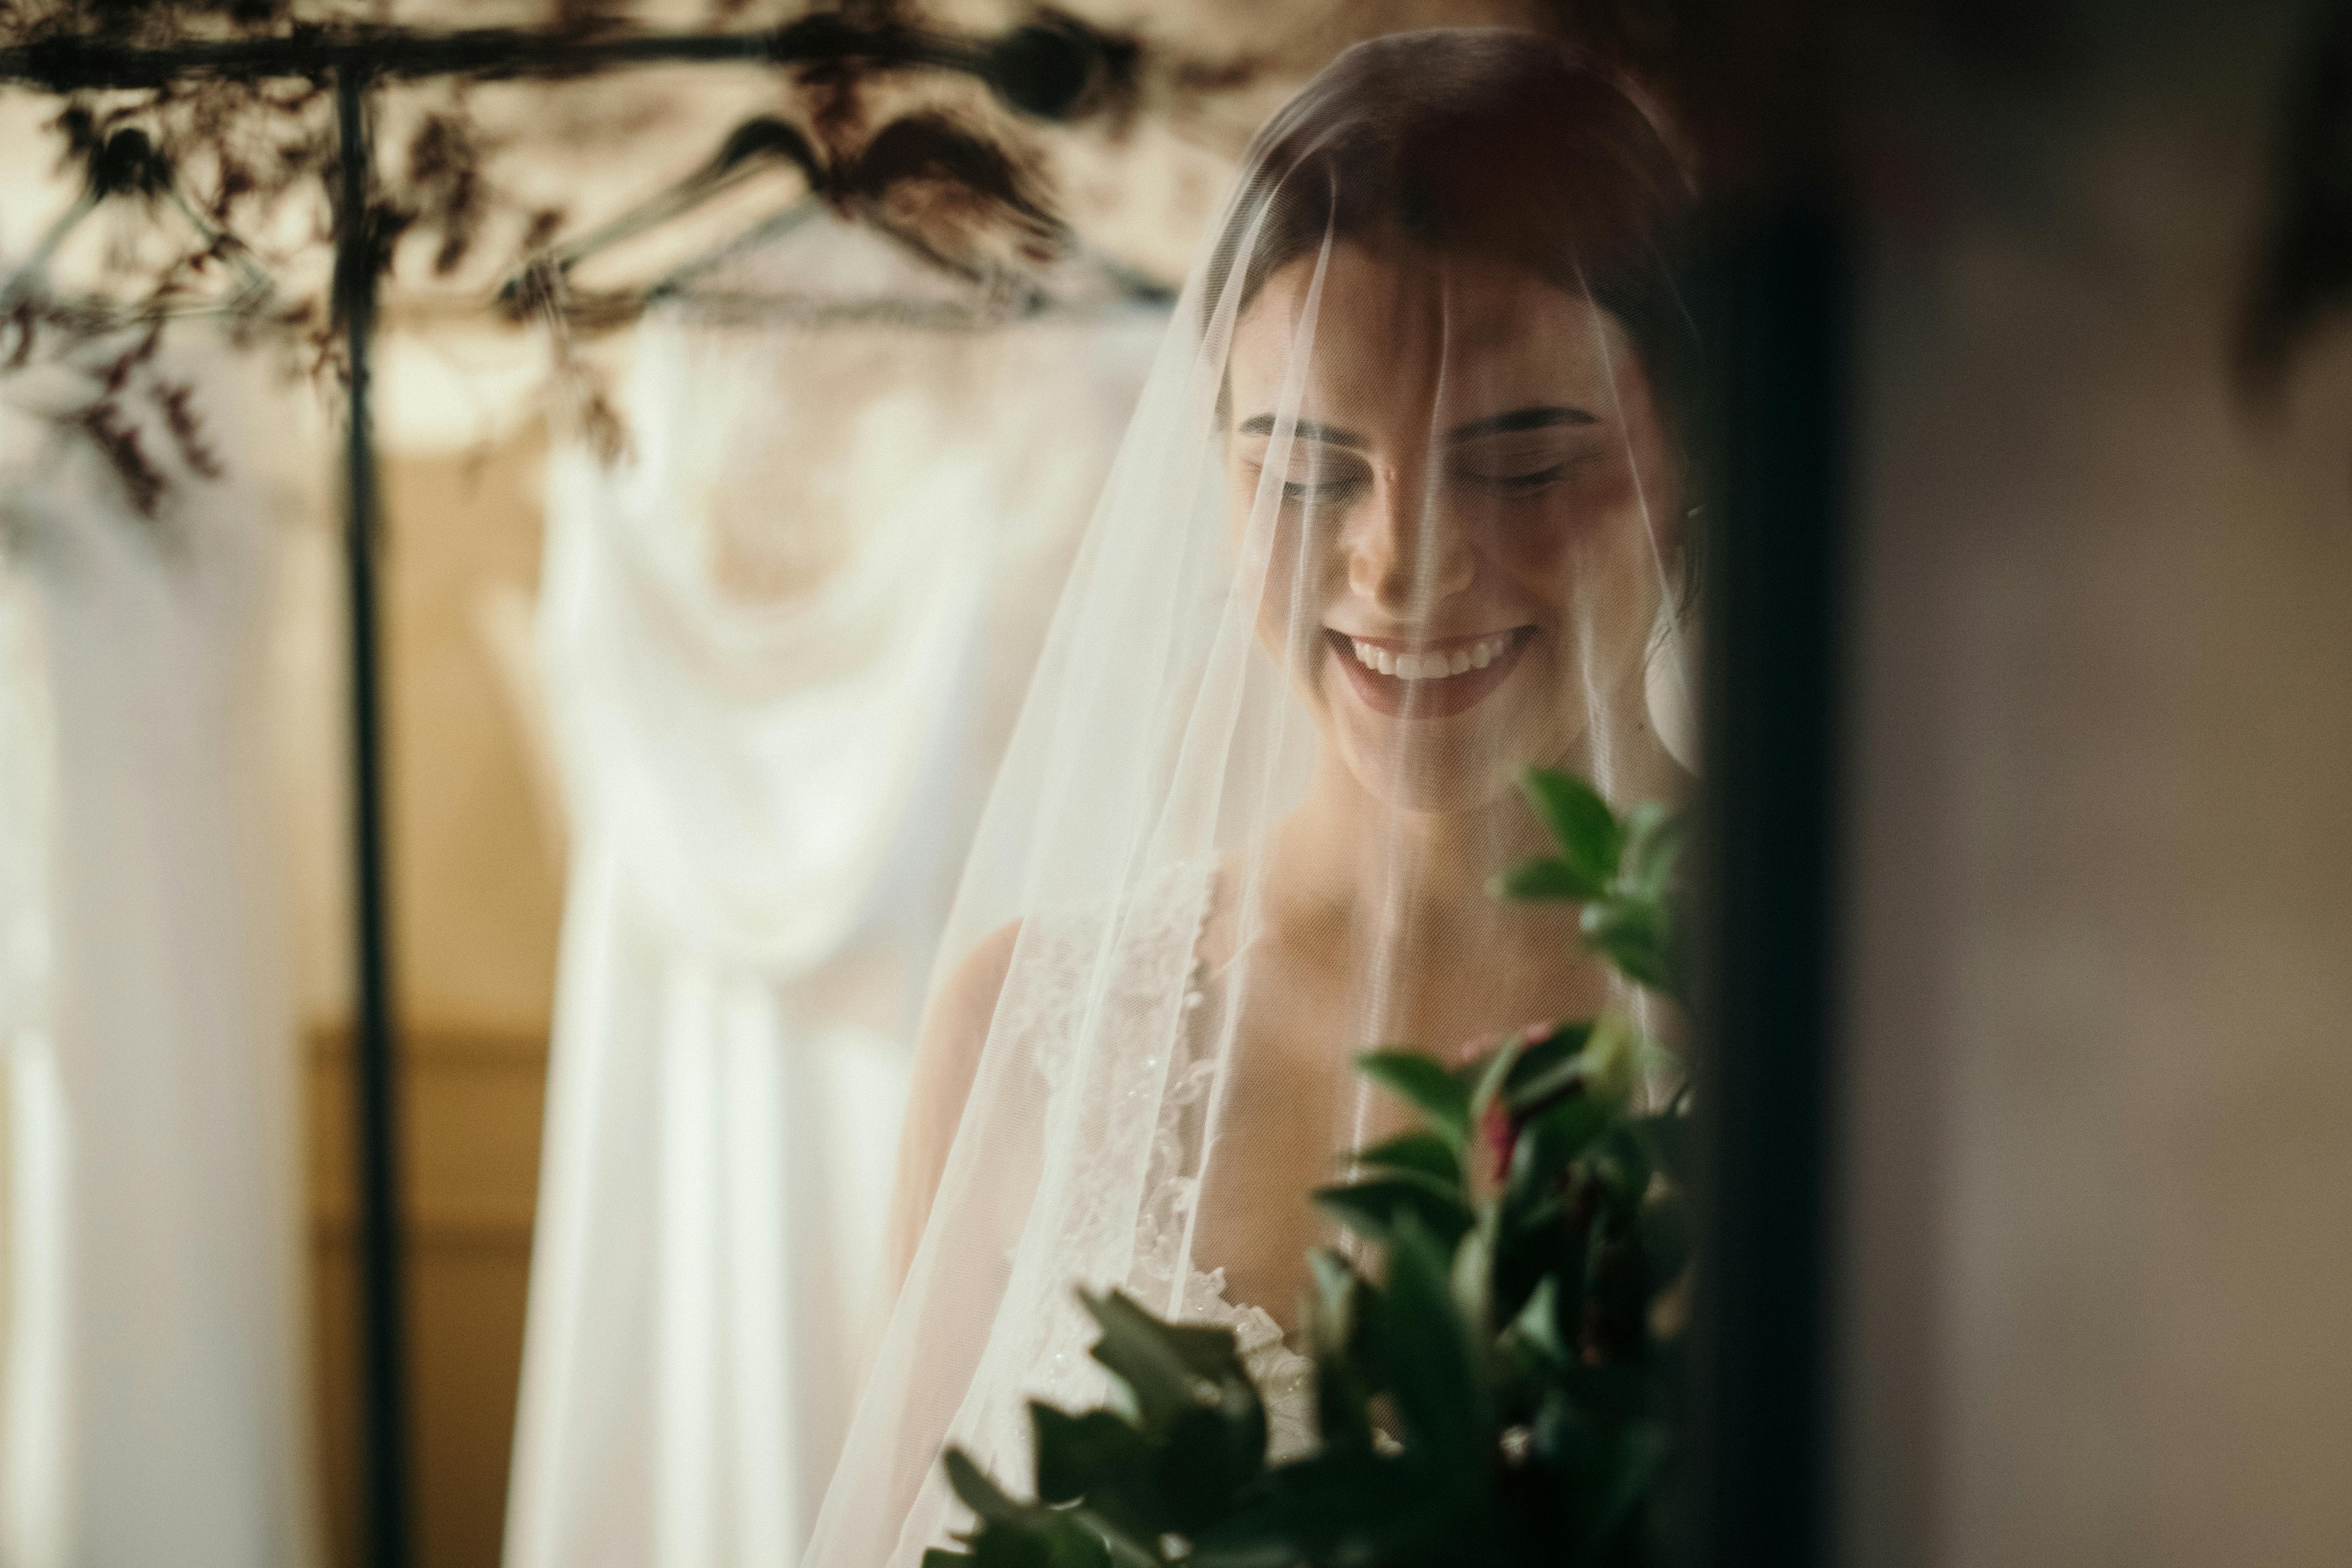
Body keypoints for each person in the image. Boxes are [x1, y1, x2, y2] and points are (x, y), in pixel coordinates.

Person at [804, 28, 1700, 1566]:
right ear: (1211, 474)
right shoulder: (1031, 1034)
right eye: (1305, 470)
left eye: (1524, 457)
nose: (1402, 563)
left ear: (1689, 461)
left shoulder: (1850, 1031)